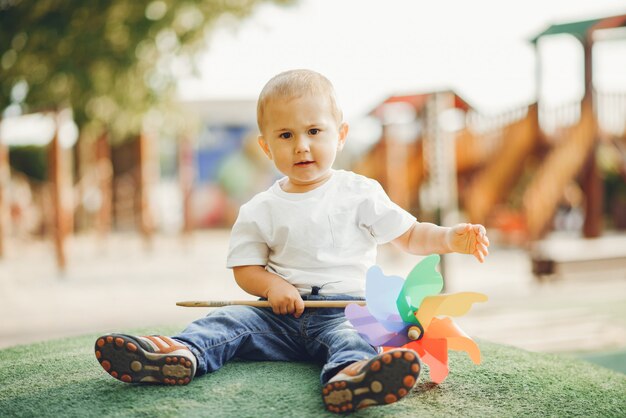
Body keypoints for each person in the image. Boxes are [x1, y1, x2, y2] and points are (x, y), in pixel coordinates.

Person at [95, 69, 490, 413]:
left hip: (346, 311)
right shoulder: (259, 209)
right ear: (266, 146)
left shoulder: (359, 192)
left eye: (314, 131)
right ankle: (179, 354)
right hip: (276, 318)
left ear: (340, 135)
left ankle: (351, 379)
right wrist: (273, 286)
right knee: (227, 321)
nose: (301, 144)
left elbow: (409, 234)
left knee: (355, 340)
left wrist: (450, 238)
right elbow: (246, 268)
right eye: (286, 135)